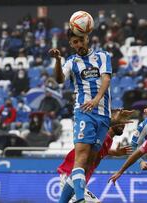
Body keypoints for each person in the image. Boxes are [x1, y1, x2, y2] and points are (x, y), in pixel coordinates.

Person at [49, 28, 112, 203]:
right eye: (75, 42)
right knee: (81, 157)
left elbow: (106, 79)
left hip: (104, 115)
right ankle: (79, 199)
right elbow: (60, 80)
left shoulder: (103, 56)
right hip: (84, 112)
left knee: (88, 163)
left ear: (87, 38)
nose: (79, 44)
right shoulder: (71, 61)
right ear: (71, 44)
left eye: (81, 40)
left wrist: (97, 99)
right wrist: (57, 60)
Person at [58, 109, 133, 203]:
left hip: (77, 176)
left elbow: (98, 150)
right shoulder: (100, 133)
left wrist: (114, 153)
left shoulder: (107, 139)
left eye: (123, 121)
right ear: (112, 119)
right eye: (119, 119)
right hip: (72, 174)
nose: (122, 123)